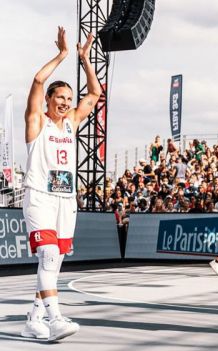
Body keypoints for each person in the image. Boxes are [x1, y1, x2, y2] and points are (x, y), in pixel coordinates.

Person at [22, 27, 102, 341]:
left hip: (66, 200)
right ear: (50, 100)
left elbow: (94, 94)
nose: (67, 102)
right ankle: (55, 319)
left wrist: (85, 60)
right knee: (48, 255)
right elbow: (38, 80)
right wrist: (63, 55)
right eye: (61, 97)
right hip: (40, 196)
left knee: (55, 263)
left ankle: (34, 318)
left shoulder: (70, 124)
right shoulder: (37, 121)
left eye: (70, 98)